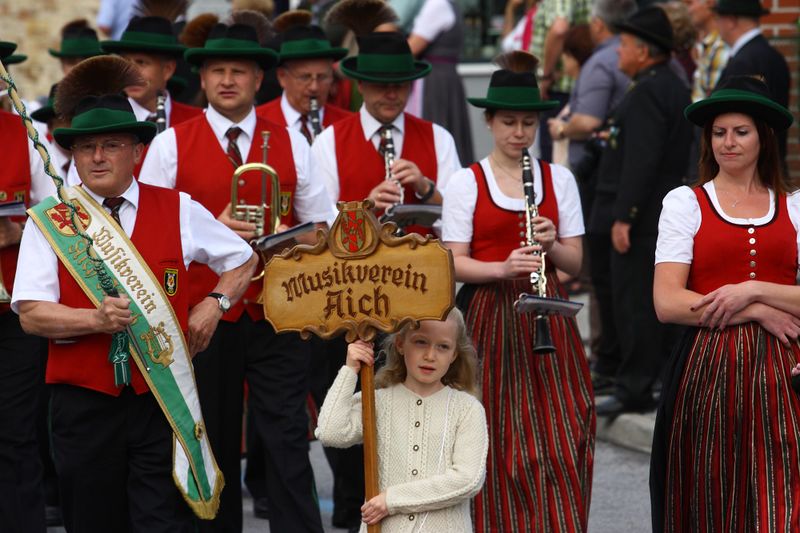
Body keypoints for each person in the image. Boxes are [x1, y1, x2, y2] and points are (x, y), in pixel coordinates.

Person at [11, 56, 258, 533]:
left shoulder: (179, 207)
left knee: (160, 521)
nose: (98, 157)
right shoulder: (51, 220)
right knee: (92, 520)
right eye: (86, 148)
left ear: (137, 152)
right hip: (82, 403)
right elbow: (32, 315)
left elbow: (244, 258)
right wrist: (94, 322)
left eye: (111, 145)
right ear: (74, 156)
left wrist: (215, 304)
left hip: (158, 401)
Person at [139, 21, 335, 533]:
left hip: (278, 310)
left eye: (239, 72)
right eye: (217, 71)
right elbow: (151, 233)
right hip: (207, 314)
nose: (227, 80)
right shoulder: (169, 146)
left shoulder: (292, 143)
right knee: (214, 436)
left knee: (288, 436)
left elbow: (322, 229)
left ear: (257, 80)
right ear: (201, 79)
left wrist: (282, 230)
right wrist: (213, 227)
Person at [442, 50, 595, 532]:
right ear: (489, 121)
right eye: (509, 122)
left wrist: (552, 245)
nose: (519, 133)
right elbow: (451, 262)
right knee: (499, 431)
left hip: (547, 311)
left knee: (564, 428)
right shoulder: (466, 181)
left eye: (528, 123)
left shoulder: (559, 178)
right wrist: (500, 266)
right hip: (490, 313)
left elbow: (576, 262)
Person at [649, 75, 797, 532]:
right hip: (710, 371)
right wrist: (753, 310)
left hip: (785, 375)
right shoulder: (685, 203)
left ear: (764, 137)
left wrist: (753, 290)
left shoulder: (793, 206)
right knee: (711, 496)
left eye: (740, 131)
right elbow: (668, 301)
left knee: (783, 496)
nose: (728, 143)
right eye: (718, 133)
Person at [591, 6, 692, 416]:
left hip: (644, 217)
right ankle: (651, 378)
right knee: (635, 301)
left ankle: (635, 388)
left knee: (635, 303)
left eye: (626, 46)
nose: (618, 54)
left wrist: (626, 215)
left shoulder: (652, 89)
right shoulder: (657, 83)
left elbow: (642, 158)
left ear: (645, 51)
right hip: (650, 214)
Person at [315, 308, 488, 532]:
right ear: (399, 344)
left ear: (454, 354)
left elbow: (467, 479)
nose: (430, 355)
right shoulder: (377, 401)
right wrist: (350, 369)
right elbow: (330, 432)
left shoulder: (467, 409)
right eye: (420, 342)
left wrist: (392, 500)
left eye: (443, 346)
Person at [311, 26, 460, 228]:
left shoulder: (439, 138)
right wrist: (365, 209)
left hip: (422, 258)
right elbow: (319, 222)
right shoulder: (328, 141)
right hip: (356, 259)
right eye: (381, 86)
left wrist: (426, 190)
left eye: (399, 86)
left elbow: (460, 220)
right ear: (361, 85)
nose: (391, 95)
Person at [0, 39, 57, 533]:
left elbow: (54, 215)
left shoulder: (24, 134)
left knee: (15, 432)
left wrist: (18, 231)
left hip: (11, 310)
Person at [101, 15, 203, 176]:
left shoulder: (199, 121)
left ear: (168, 69)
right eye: (125, 62)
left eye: (141, 62)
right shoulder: (103, 123)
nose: (131, 73)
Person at [714, 0, 790, 164]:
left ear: (731, 20)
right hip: (766, 165)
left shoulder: (745, 61)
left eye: (718, 18)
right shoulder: (771, 55)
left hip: (753, 169)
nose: (716, 25)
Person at [406, 0, 474, 165]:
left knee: (434, 130)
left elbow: (411, 49)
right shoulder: (449, 5)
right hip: (446, 78)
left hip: (435, 82)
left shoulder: (438, 5)